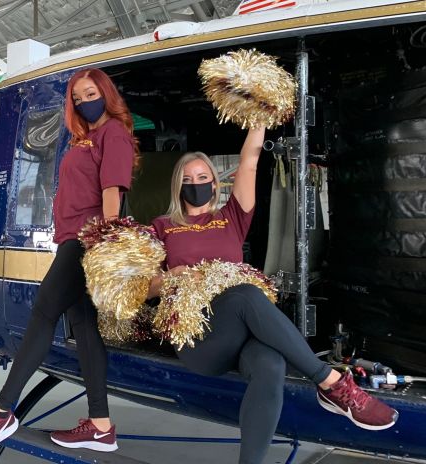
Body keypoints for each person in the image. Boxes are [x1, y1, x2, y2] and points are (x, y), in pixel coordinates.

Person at [147, 128, 399, 464]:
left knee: (271, 364)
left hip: (241, 335)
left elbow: (250, 161)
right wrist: (168, 279)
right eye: (188, 177)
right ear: (178, 185)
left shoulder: (231, 218)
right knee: (247, 295)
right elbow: (143, 289)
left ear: (215, 183)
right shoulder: (162, 226)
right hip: (199, 338)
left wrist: (259, 114)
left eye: (203, 176)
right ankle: (331, 382)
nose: (196, 183)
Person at [0, 68, 138, 459]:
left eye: (90, 93)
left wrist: (104, 245)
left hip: (85, 240)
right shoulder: (85, 139)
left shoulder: (114, 134)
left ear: (106, 93)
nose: (83, 101)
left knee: (42, 314)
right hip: (69, 238)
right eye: (76, 97)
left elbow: (112, 194)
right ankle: (101, 426)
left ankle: (1, 412)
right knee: (84, 326)